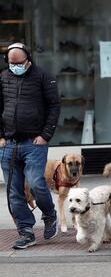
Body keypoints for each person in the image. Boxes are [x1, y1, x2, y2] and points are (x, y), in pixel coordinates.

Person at [0, 43, 60, 249]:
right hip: (8, 144)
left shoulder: (43, 76)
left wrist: (46, 135)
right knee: (14, 192)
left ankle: (50, 214)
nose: (14, 66)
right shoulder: (3, 77)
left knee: (35, 183)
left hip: (35, 142)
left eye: (18, 63)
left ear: (29, 60)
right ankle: (26, 232)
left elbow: (54, 106)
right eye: (11, 63)